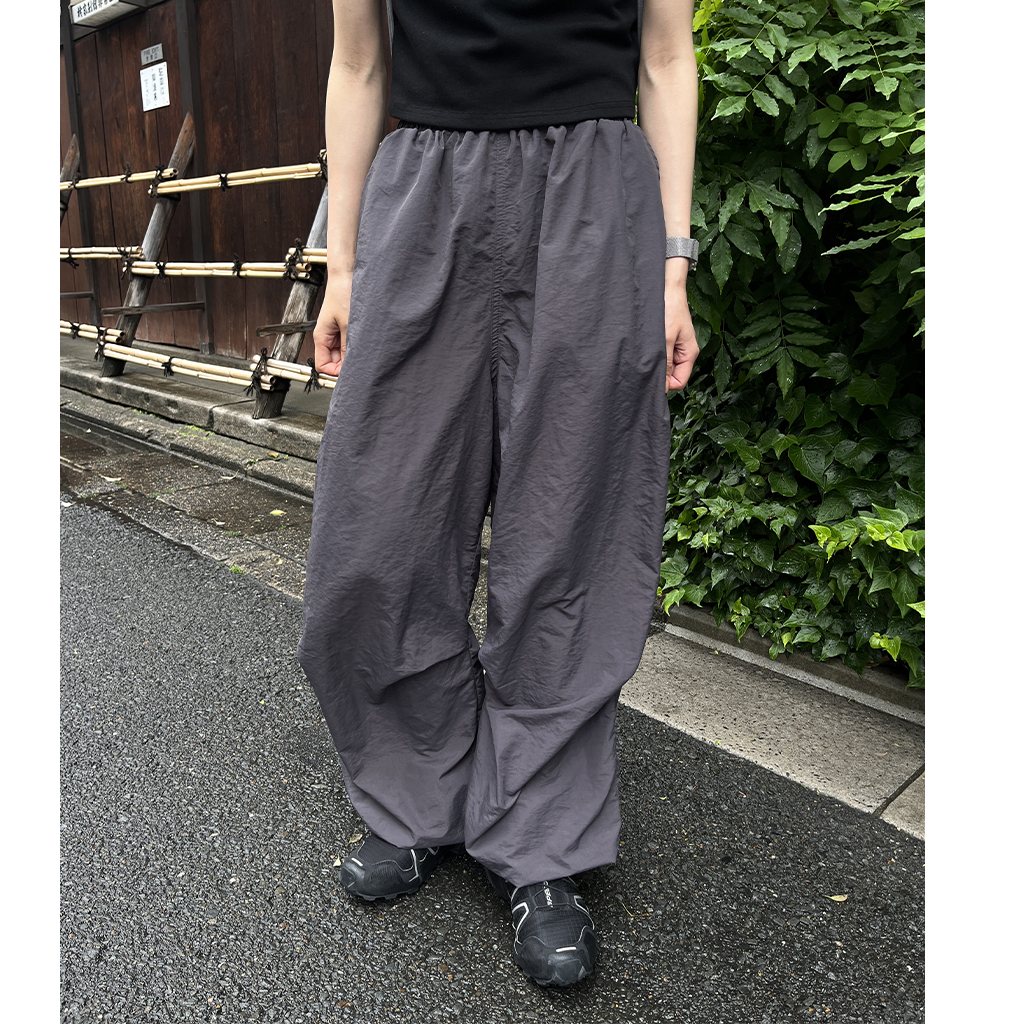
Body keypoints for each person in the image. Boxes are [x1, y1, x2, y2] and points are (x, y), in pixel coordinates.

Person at [297, 0, 699, 988]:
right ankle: (413, 791)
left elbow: (664, 56)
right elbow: (358, 64)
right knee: (381, 527)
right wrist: (342, 264)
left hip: (596, 197)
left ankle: (541, 835)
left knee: (570, 528)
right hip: (424, 191)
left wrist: (673, 265)